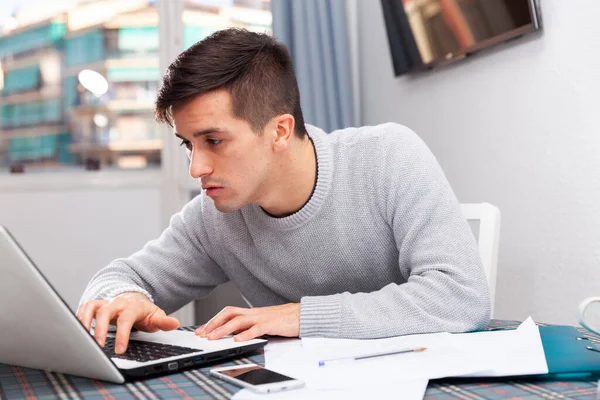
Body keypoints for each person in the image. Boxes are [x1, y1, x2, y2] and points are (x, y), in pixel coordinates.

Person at [78, 28, 490, 355]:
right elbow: (120, 277)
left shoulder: (387, 156)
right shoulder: (214, 214)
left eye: (214, 141)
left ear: (279, 131)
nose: (196, 168)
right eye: (188, 144)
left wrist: (303, 317)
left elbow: (462, 296)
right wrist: (122, 298)